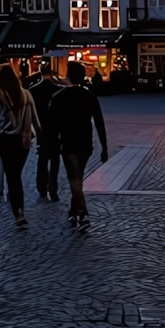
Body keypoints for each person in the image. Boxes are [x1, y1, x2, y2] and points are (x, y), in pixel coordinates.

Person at [49, 61, 109, 229]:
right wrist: (104, 147)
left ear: (68, 75)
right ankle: (75, 210)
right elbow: (99, 122)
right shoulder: (89, 96)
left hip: (67, 143)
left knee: (74, 178)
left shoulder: (58, 97)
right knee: (78, 177)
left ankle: (81, 213)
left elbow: (52, 126)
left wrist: (52, 146)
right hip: (85, 142)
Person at [0, 65, 41, 228]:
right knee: (15, 175)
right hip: (23, 141)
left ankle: (18, 214)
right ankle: (19, 211)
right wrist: (40, 138)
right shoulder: (27, 94)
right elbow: (35, 120)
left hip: (6, 140)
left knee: (12, 176)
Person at [30, 62, 66, 203]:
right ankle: (53, 189)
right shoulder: (59, 90)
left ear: (40, 72)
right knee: (55, 160)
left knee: (42, 158)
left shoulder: (33, 91)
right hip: (56, 129)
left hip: (41, 128)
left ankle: (41, 188)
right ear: (51, 73)